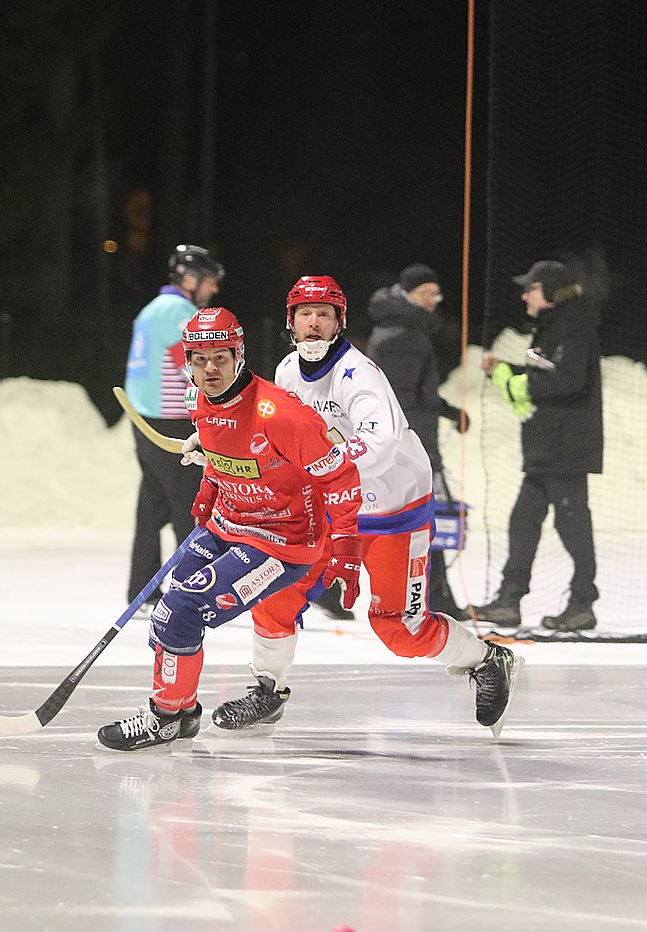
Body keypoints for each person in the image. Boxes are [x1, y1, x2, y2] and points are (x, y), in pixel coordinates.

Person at [202, 275, 521, 738]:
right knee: (275, 592)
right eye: (304, 314)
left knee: (398, 627)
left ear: (339, 323)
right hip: (331, 508)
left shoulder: (359, 374)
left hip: (393, 509)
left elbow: (381, 443)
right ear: (291, 322)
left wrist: (313, 465)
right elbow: (267, 427)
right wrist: (216, 442)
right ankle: (268, 691)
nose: (313, 323)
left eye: (324, 314)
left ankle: (488, 660)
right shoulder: (289, 370)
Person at [97, 306, 364, 751]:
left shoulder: (281, 415)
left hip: (281, 543)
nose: (209, 369)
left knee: (181, 610)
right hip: (228, 524)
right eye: (198, 359)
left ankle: (164, 718)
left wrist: (347, 549)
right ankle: (178, 712)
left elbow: (341, 477)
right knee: (166, 617)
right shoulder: (196, 398)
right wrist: (206, 493)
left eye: (220, 357)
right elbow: (221, 453)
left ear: (239, 353)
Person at [469, 252, 604, 632]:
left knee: (572, 525)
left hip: (567, 448)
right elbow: (548, 375)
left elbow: (568, 381)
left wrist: (518, 381)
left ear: (551, 293)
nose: (525, 296)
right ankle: (509, 600)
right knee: (524, 519)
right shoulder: (554, 326)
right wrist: (508, 371)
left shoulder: (574, 326)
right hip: (548, 448)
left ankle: (582, 603)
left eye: (531, 289)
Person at [121, 244, 223, 609]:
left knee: (151, 506)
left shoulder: (151, 309)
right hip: (170, 422)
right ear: (190, 279)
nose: (213, 290)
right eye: (209, 282)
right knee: (190, 507)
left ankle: (142, 589)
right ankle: (193, 590)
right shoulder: (180, 312)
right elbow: (194, 368)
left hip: (143, 418)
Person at [366, 263, 469, 619]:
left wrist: (448, 411)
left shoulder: (405, 329)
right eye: (428, 293)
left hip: (412, 439)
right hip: (410, 445)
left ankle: (436, 592)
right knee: (424, 515)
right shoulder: (402, 335)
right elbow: (400, 399)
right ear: (409, 293)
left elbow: (414, 394)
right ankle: (434, 594)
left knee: (420, 516)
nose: (435, 301)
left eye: (437, 293)